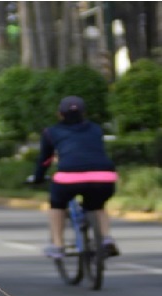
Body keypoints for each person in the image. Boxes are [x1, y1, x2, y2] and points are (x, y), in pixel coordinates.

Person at [30, 95, 120, 259]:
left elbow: (45, 160)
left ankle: (57, 245)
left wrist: (37, 177)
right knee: (98, 206)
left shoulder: (51, 132)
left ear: (60, 114)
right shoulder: (96, 129)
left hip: (69, 177)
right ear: (84, 112)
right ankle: (106, 238)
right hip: (104, 176)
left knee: (57, 206)